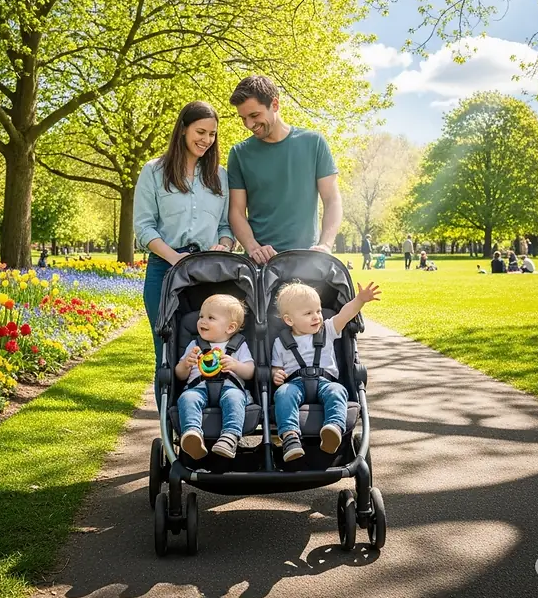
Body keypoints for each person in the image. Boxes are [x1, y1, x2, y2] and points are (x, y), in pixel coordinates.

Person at [133, 101, 235, 409]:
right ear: (183, 130)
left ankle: (207, 420)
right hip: (164, 270)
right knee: (167, 351)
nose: (206, 140)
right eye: (200, 132)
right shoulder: (154, 171)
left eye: (212, 134)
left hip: (208, 273)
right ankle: (170, 426)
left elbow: (226, 225)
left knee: (211, 347)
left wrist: (225, 245)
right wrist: (175, 258)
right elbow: (144, 227)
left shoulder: (219, 175)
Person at [227, 76, 342, 264]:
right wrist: (253, 247)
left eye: (254, 116)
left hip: (306, 260)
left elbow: (332, 200)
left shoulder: (314, 143)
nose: (249, 125)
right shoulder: (239, 154)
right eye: (243, 118)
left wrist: (325, 245)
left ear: (275, 104)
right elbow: (236, 212)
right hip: (260, 263)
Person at [271, 280, 381, 461]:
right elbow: (276, 366)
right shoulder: (280, 342)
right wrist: (275, 373)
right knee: (283, 393)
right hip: (294, 384)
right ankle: (290, 436)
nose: (316, 317)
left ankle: (333, 429)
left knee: (338, 391)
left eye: (318, 311)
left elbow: (345, 314)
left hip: (325, 382)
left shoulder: (328, 329)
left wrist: (360, 300)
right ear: (289, 320)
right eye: (308, 313)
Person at [175, 294, 254, 460]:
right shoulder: (195, 345)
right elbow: (180, 374)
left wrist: (235, 365)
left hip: (229, 387)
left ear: (230, 328)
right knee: (187, 398)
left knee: (234, 397)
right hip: (198, 387)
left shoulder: (239, 345)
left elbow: (250, 371)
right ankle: (192, 434)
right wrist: (185, 364)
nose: (202, 321)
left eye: (211, 318)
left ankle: (230, 437)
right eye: (201, 316)